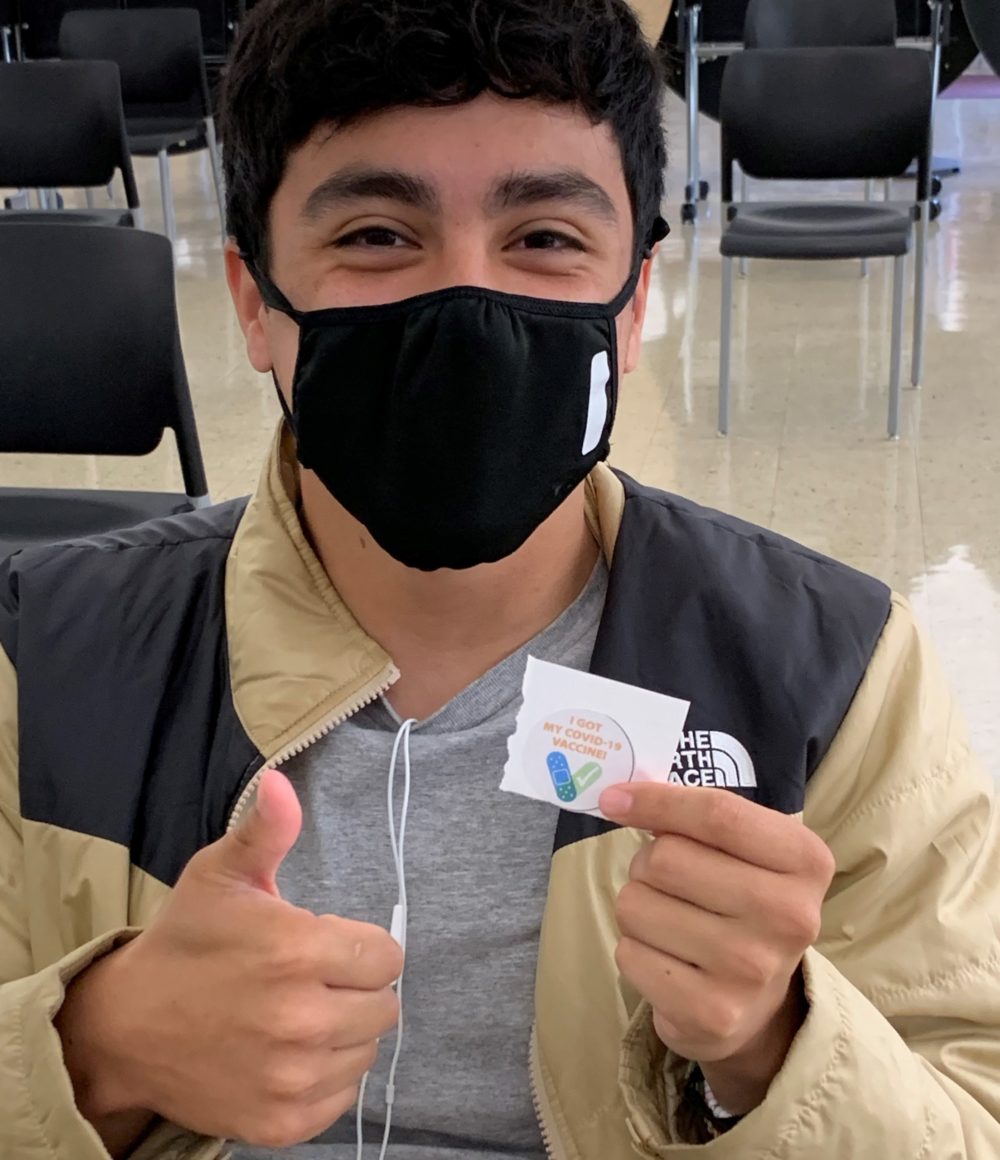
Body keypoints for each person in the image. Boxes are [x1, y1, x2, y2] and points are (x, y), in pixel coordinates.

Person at [0, 1, 997, 1158]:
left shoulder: (833, 669)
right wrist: (91, 1049)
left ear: (633, 303)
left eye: (544, 238)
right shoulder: (41, 657)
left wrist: (773, 1049)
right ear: (253, 303)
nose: (466, 304)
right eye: (376, 234)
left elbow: (968, 1102)